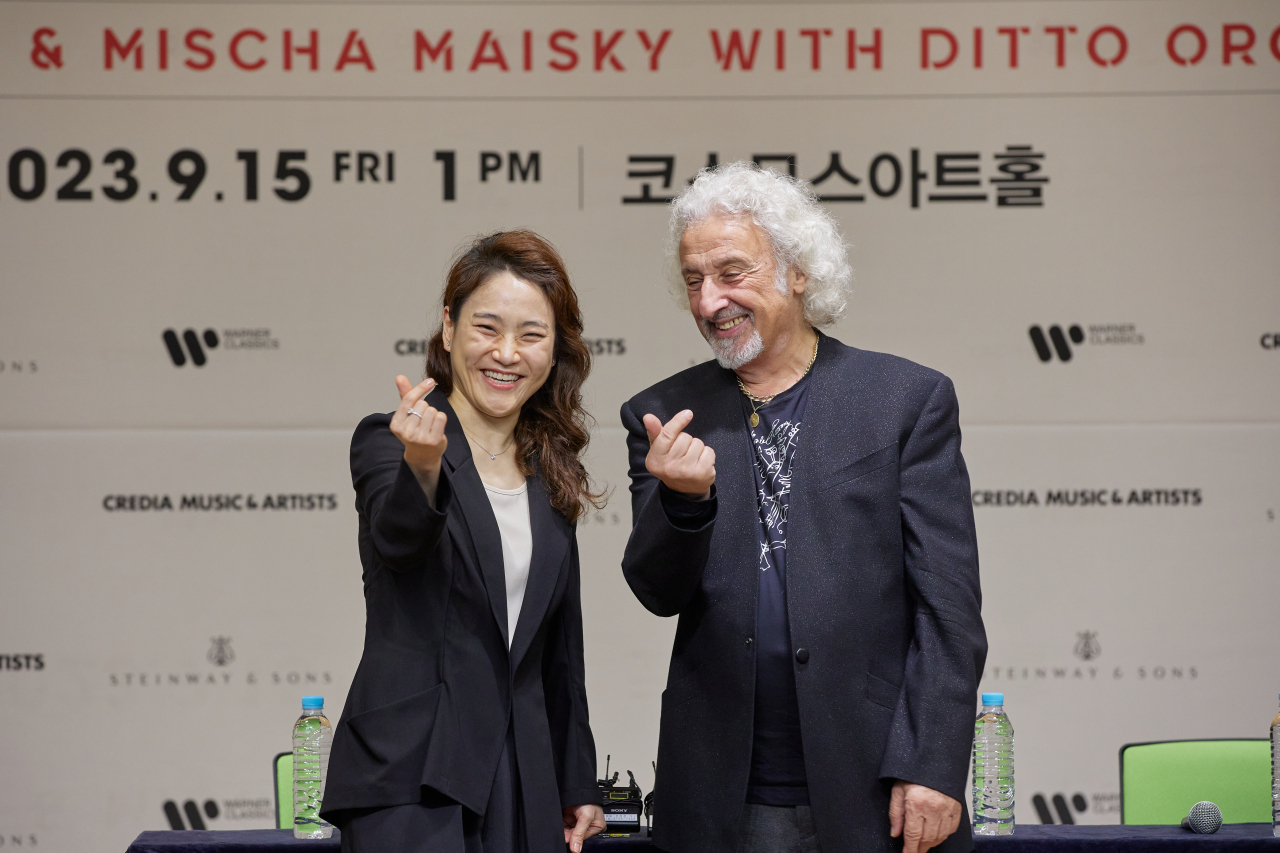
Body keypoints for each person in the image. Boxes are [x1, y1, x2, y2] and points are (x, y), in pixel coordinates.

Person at [620, 163, 987, 853]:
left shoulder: (903, 400)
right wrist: (682, 499)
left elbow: (949, 607)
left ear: (798, 271)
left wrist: (932, 763)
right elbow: (656, 589)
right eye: (694, 280)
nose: (708, 300)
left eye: (731, 272)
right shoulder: (665, 415)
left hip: (879, 786)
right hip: (724, 796)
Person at [322, 231, 606, 853]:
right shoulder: (389, 439)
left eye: (531, 335)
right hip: (414, 776)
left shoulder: (550, 470)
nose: (506, 353)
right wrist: (424, 463)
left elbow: (560, 647)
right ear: (449, 329)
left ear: (555, 349)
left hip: (526, 777)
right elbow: (399, 541)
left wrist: (577, 778)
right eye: (486, 328)